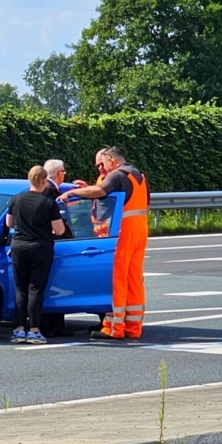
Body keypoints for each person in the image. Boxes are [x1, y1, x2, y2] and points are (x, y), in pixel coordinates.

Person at [58, 146, 150, 340]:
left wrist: (77, 193)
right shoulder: (139, 176)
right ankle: (133, 327)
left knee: (117, 279)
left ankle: (113, 328)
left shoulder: (117, 175)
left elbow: (100, 191)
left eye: (103, 163)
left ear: (111, 160)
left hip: (122, 232)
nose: (102, 168)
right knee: (133, 278)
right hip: (140, 230)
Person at [6, 165, 66, 344]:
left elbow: (9, 223)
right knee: (35, 289)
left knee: (20, 289)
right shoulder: (48, 202)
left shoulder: (16, 199)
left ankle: (18, 329)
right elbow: (59, 229)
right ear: (43, 181)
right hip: (40, 247)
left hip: (18, 246)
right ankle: (34, 330)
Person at [39, 159, 74, 337]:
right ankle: (50, 325)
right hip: (54, 243)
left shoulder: (49, 190)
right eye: (64, 172)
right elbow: (55, 222)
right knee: (54, 284)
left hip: (50, 243)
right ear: (59, 173)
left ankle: (56, 325)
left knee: (55, 283)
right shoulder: (50, 191)